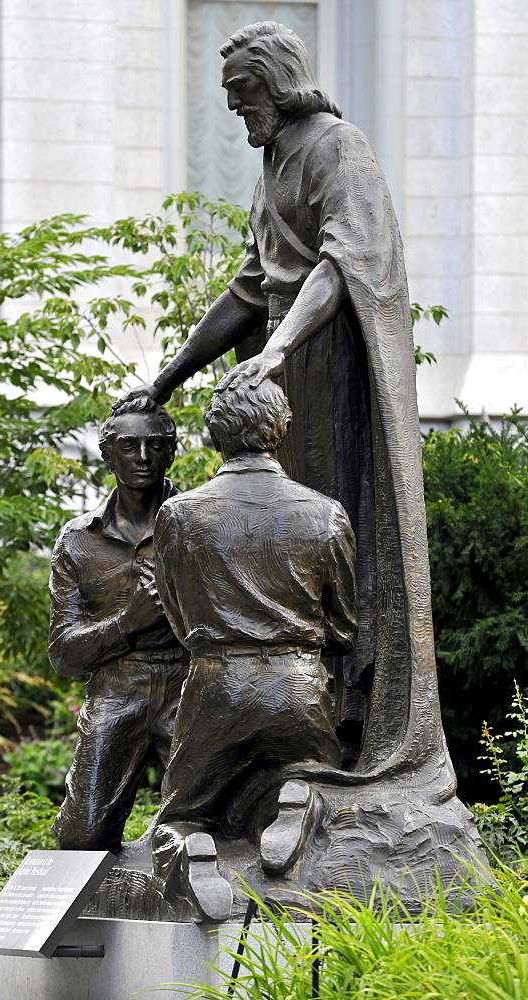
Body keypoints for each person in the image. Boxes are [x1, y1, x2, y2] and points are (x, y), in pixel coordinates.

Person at [118, 20, 450, 797]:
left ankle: (338, 721)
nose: (236, 114)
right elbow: (248, 289)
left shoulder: (338, 146)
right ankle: (281, 734)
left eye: (242, 96)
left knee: (323, 531)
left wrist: (280, 347)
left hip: (328, 368)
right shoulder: (272, 165)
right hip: (283, 370)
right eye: (230, 102)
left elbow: (346, 263)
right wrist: (167, 379)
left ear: (276, 82)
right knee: (274, 531)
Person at [152, 380, 357, 921]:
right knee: (312, 773)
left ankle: (191, 848)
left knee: (180, 811)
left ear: (215, 434)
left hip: (218, 677)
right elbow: (345, 626)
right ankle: (300, 798)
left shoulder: (179, 515)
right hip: (298, 682)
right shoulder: (325, 514)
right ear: (279, 428)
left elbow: (176, 610)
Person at [49, 398, 188, 854]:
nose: (143, 457)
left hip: (191, 685)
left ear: (172, 451)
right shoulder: (79, 541)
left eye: (155, 445)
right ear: (108, 454)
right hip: (116, 688)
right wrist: (128, 622)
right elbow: (64, 655)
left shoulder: (199, 525)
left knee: (213, 828)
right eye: (129, 446)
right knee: (81, 837)